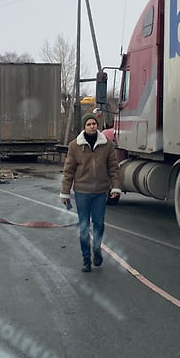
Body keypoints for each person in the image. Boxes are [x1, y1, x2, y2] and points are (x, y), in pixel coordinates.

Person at [60, 113, 123, 272]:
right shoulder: (75, 146)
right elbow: (69, 171)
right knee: (83, 227)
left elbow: (113, 168)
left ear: (97, 125)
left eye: (94, 124)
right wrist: (65, 193)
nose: (92, 126)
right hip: (82, 192)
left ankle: (97, 249)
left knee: (99, 224)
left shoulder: (106, 144)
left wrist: (115, 187)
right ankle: (86, 259)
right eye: (88, 124)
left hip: (100, 192)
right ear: (84, 127)